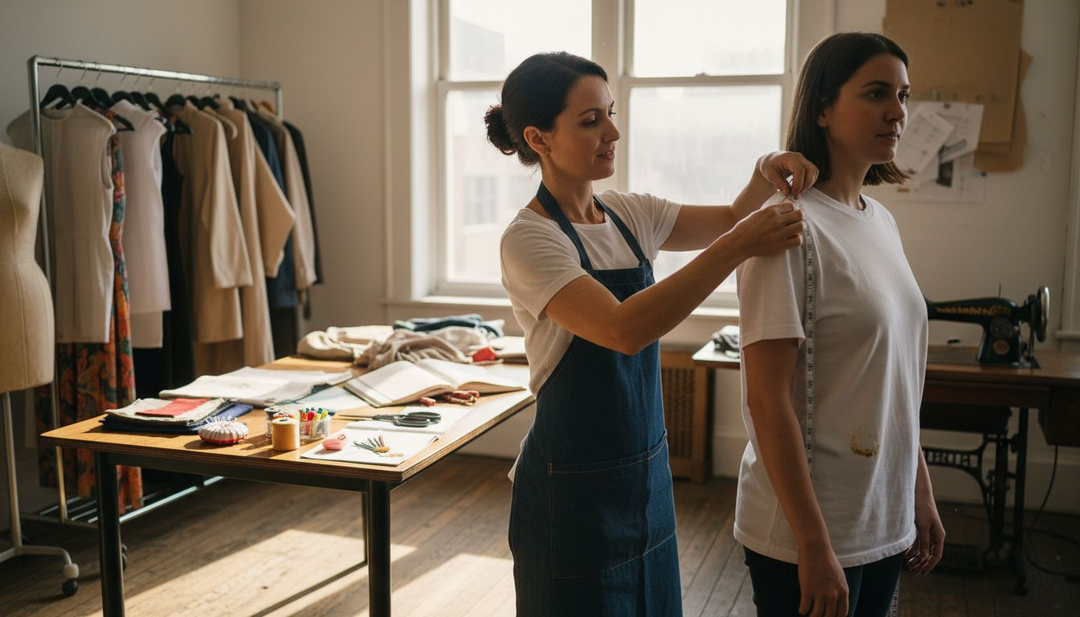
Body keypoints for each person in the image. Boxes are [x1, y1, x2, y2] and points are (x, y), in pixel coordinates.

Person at [487, 51, 813, 616]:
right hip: (570, 493)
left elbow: (733, 217)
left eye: (610, 113)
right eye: (591, 121)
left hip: (646, 479)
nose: (613, 131)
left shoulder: (630, 214)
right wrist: (736, 247)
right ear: (538, 139)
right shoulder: (531, 239)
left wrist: (766, 169)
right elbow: (623, 328)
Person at [735, 32, 946, 617]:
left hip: (879, 512)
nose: (897, 112)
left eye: (903, 96)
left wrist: (917, 491)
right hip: (809, 529)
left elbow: (894, 380)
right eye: (877, 93)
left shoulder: (879, 221)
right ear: (822, 108)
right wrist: (812, 543)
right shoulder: (785, 227)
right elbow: (766, 399)